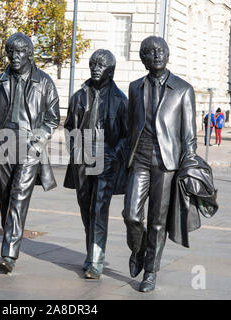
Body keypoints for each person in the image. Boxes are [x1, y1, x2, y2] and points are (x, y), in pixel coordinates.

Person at [123, 36, 197, 292]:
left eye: (161, 50)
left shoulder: (183, 89)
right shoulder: (135, 88)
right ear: (143, 58)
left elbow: (189, 136)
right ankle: (138, 249)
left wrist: (188, 165)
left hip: (167, 162)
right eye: (150, 52)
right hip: (140, 158)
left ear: (168, 54)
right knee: (131, 215)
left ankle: (151, 272)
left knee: (157, 221)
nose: (156, 55)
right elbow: (130, 125)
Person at [0, 32, 60, 274]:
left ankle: (9, 254)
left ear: (29, 54)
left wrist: (38, 140)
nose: (15, 57)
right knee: (5, 198)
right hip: (3, 145)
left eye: (20, 52)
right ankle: (10, 242)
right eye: (11, 52)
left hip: (29, 146)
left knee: (18, 197)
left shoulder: (44, 82)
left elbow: (52, 118)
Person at [63, 49, 128, 279]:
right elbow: (69, 125)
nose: (95, 68)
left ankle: (96, 261)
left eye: (101, 65)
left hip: (105, 158)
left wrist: (113, 153)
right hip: (81, 157)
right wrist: (73, 148)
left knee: (99, 208)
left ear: (110, 71)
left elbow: (126, 135)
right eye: (93, 64)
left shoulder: (120, 100)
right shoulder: (79, 95)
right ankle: (92, 251)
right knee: (85, 207)